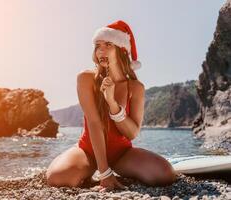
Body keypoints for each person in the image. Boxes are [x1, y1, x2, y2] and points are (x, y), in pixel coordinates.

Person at [46, 20, 178, 192]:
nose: (101, 49)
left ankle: (111, 170)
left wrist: (113, 104)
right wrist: (104, 173)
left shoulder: (135, 88)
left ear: (122, 50)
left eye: (108, 44)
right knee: (58, 178)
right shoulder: (86, 79)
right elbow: (94, 123)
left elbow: (132, 133)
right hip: (89, 150)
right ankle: (86, 168)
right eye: (98, 45)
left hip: (122, 154)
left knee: (165, 174)